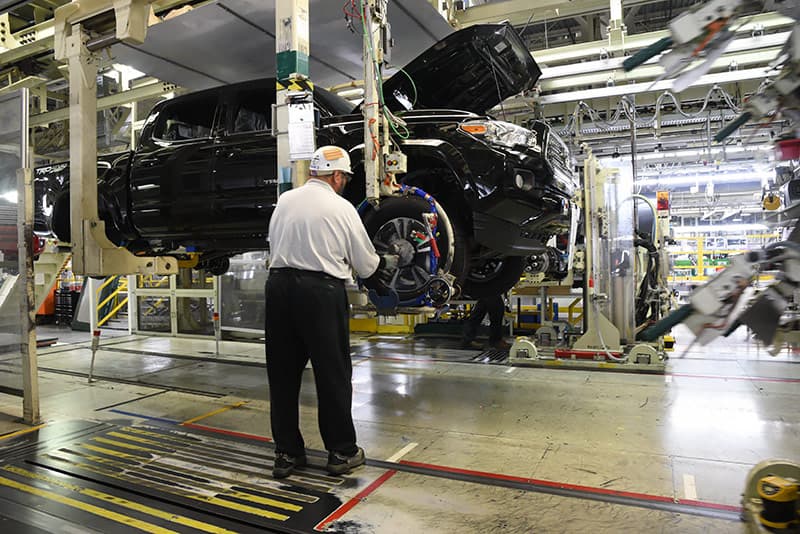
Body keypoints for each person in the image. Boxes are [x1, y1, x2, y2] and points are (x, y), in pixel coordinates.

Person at [265, 145, 398, 479]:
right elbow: (366, 264)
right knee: (332, 374)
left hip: (278, 290)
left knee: (282, 377)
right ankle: (341, 452)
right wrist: (388, 265)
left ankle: (286, 454)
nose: (345, 183)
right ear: (337, 175)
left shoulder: (285, 201)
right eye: (345, 177)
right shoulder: (341, 208)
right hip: (320, 294)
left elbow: (273, 242)